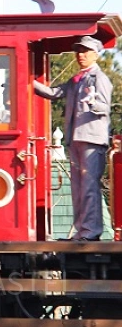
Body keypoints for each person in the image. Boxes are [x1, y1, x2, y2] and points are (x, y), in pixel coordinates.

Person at [34, 35, 113, 241]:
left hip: (92, 138)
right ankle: (82, 231)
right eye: (79, 51)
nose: (80, 55)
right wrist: (28, 82)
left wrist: (93, 103)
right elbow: (53, 93)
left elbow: (105, 107)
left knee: (88, 186)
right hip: (76, 138)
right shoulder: (76, 79)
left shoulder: (99, 78)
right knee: (78, 188)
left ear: (95, 55)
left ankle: (91, 231)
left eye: (85, 51)